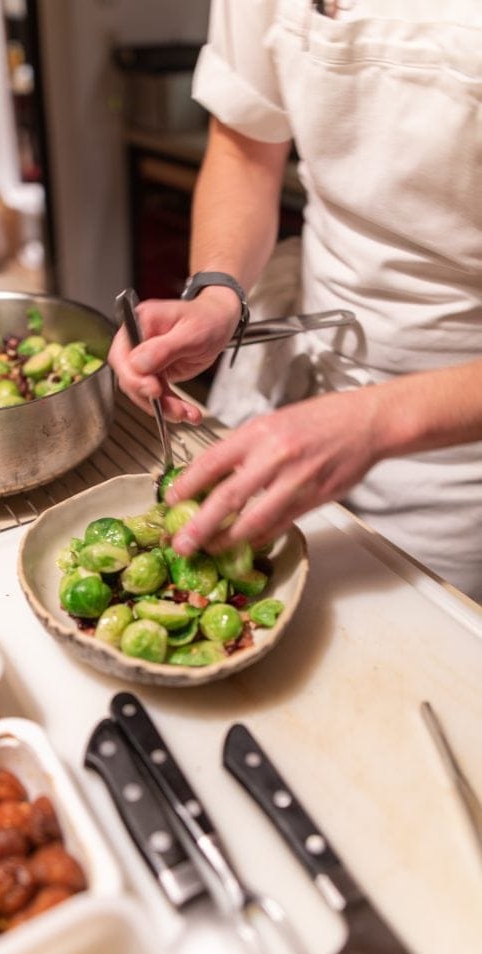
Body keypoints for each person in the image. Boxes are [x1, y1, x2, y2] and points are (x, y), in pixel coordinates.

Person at [108, 0, 482, 602]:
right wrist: (217, 293)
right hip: (298, 395)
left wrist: (376, 418)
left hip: (458, 460)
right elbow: (245, 148)